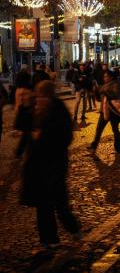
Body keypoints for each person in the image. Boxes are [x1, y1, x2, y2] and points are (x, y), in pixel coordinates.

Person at [20, 81, 81, 249]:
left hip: (55, 163)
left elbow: (66, 137)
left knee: (59, 201)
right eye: (38, 97)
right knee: (43, 204)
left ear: (50, 96)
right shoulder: (35, 110)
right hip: (38, 165)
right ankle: (48, 239)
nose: (39, 100)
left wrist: (43, 136)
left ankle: (73, 229)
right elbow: (23, 127)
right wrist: (24, 106)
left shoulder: (59, 111)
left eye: (42, 96)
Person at [88, 70, 120, 155]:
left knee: (115, 130)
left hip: (113, 111)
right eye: (104, 77)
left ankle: (118, 148)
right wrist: (96, 91)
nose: (105, 78)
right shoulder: (104, 86)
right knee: (99, 129)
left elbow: (114, 94)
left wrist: (103, 91)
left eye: (106, 77)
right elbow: (99, 99)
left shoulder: (115, 84)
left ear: (111, 77)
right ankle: (93, 147)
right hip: (104, 110)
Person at [13, 70, 33, 157]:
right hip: (26, 114)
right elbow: (24, 103)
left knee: (27, 134)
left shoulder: (18, 90)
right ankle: (20, 151)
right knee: (27, 133)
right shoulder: (24, 91)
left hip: (23, 114)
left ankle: (21, 151)